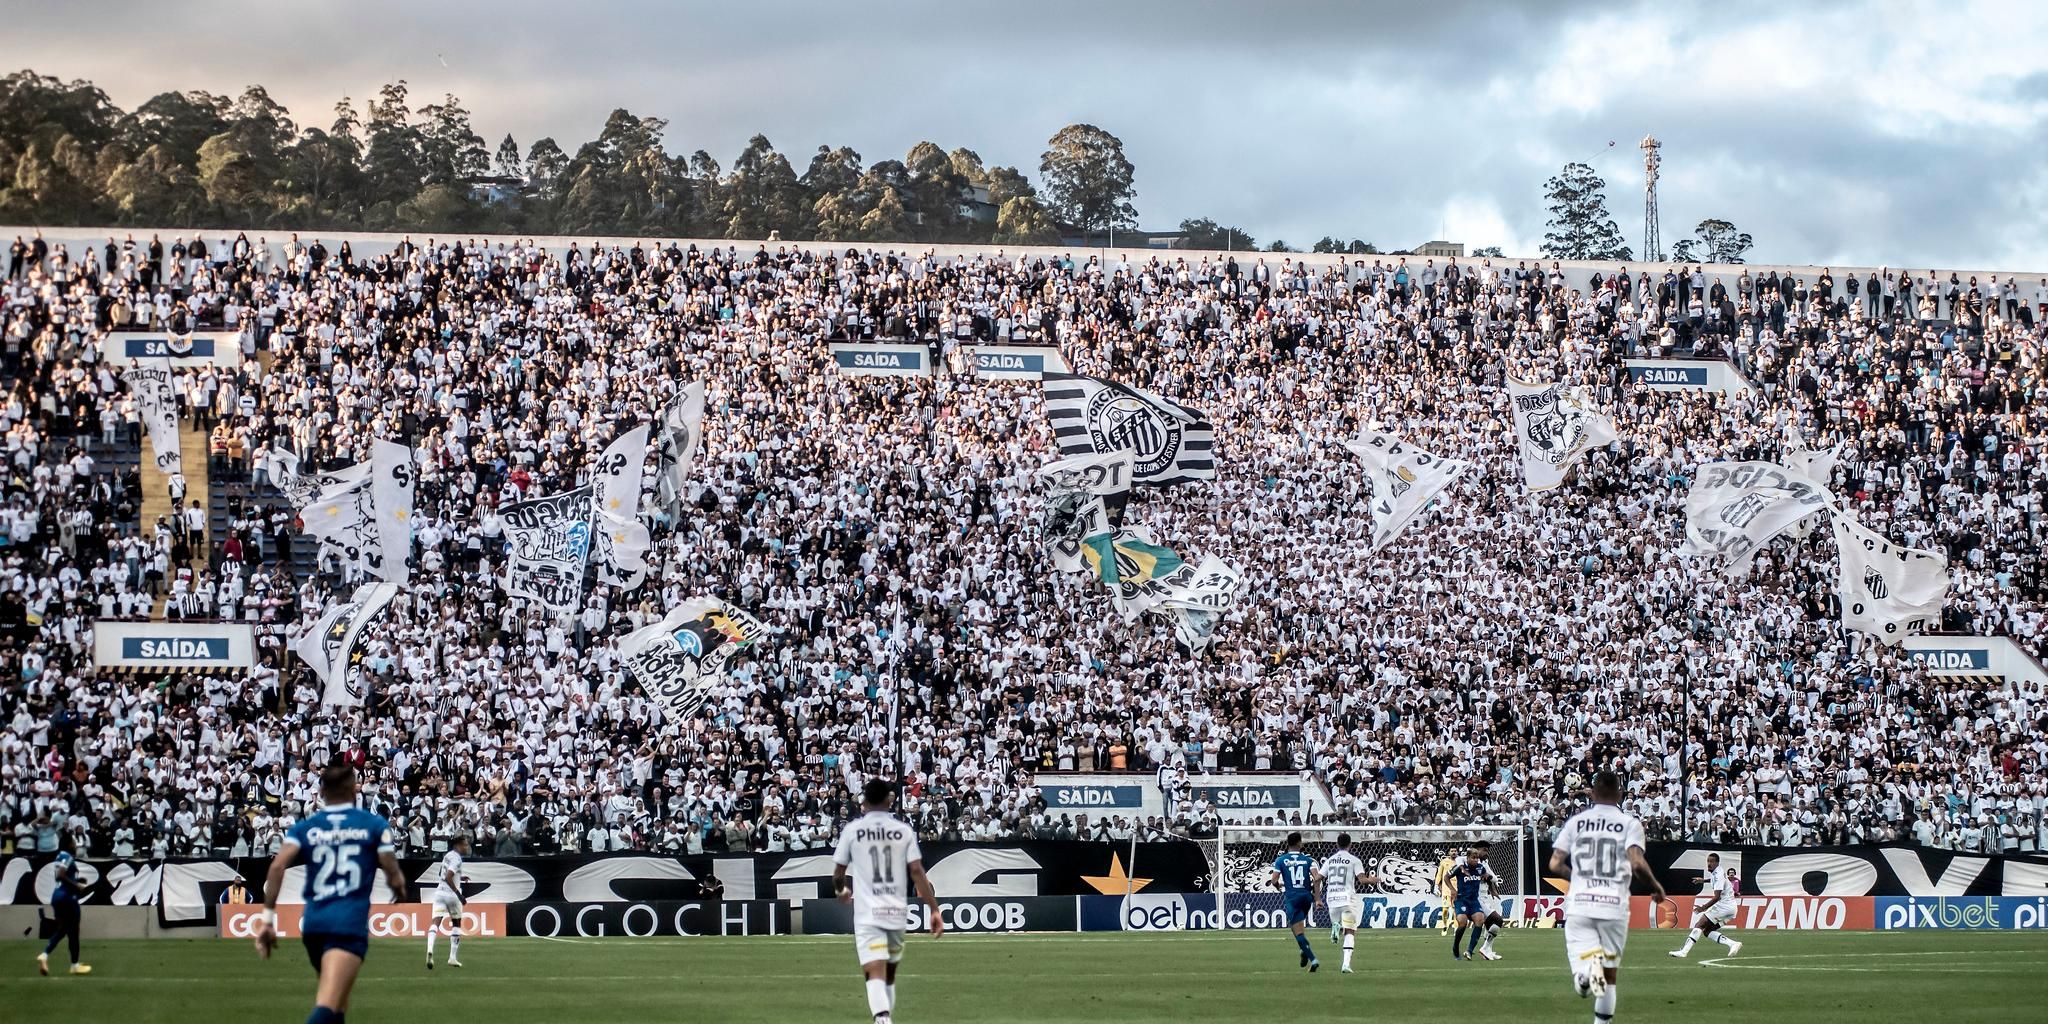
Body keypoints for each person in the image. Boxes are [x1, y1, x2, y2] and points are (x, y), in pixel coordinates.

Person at [256, 761, 408, 1024]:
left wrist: (268, 919)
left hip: (314, 925)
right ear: (353, 791)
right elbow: (392, 871)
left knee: (338, 1004)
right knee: (327, 1006)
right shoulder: (373, 825)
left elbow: (277, 866)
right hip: (347, 926)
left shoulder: (305, 827)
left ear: (322, 792)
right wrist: (399, 889)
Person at [1549, 771, 1666, 1024]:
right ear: (1620, 794)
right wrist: (1656, 886)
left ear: (1592, 793)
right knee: (1609, 975)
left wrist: (1578, 878)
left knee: (1589, 969)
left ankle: (1584, 975)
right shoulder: (1629, 824)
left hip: (1580, 904)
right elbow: (1636, 863)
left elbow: (1556, 864)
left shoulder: (1577, 822)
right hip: (1614, 906)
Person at [831, 779, 941, 1024]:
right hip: (896, 912)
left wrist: (841, 892)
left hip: (868, 912)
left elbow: (838, 873)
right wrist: (934, 910)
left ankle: (882, 1018)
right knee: (889, 975)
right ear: (889, 801)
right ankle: (883, 1017)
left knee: (874, 973)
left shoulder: (853, 830)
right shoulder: (903, 830)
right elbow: (917, 871)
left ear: (864, 802)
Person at [1316, 833, 1375, 973]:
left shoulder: (1330, 860)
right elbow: (1362, 880)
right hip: (1347, 899)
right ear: (1350, 844)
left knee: (1337, 922)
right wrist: (1374, 880)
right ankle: (1346, 964)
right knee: (1349, 931)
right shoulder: (1354, 860)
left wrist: (1317, 899)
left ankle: (1335, 926)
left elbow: (1317, 879)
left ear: (1337, 844)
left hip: (1332, 899)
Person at [1668, 854, 1742, 960]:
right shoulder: (1718, 871)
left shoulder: (1718, 875)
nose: (1709, 864)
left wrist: (1703, 908)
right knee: (1707, 931)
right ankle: (1733, 944)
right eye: (1708, 861)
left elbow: (1716, 897)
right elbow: (1715, 880)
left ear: (1717, 863)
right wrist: (1703, 880)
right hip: (1731, 908)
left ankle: (1684, 951)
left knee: (1699, 924)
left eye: (1712, 861)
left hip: (1724, 907)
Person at [1269, 831, 1319, 971]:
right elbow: (1316, 878)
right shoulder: (1309, 860)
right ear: (1299, 843)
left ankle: (1312, 959)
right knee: (1297, 927)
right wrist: (1317, 898)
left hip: (1293, 897)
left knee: (1298, 931)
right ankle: (1303, 950)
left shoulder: (1281, 860)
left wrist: (1278, 885)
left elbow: (1274, 880)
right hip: (1306, 897)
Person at [36, 849, 90, 976]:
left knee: (64, 929)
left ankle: (46, 955)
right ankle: (74, 965)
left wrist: (75, 883)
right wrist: (76, 885)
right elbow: (60, 875)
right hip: (67, 898)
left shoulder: (59, 856)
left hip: (57, 896)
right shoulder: (67, 856)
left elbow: (60, 876)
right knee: (73, 931)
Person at [1449, 845, 1499, 961]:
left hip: (1474, 901)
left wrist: (1491, 888)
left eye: (1477, 858)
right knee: (1462, 922)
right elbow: (1446, 877)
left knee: (1480, 920)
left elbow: (1487, 877)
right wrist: (1452, 890)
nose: (1476, 860)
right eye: (1473, 858)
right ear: (1467, 858)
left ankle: (1469, 951)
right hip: (1461, 900)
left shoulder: (1480, 868)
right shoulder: (1460, 868)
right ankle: (1455, 947)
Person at [427, 834, 468, 969]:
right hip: (452, 896)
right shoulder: (457, 859)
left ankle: (430, 949)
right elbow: (449, 877)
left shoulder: (447, 855)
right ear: (458, 845)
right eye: (464, 844)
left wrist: (461, 878)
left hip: (439, 893)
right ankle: (452, 957)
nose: (466, 847)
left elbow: (443, 875)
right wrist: (459, 894)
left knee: (435, 922)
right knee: (456, 923)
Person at [1435, 850, 1459, 937]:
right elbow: (1439, 874)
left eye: (1455, 851)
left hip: (1456, 890)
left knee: (1456, 911)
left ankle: (1456, 930)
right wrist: (1436, 885)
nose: (1454, 852)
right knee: (1445, 910)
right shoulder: (1444, 862)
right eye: (1452, 851)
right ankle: (1445, 925)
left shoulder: (1460, 862)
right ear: (1448, 853)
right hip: (1446, 890)